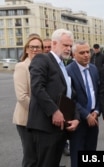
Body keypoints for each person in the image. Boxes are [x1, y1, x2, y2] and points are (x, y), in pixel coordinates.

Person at [27, 28, 80, 167]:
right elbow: (37, 87)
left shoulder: (63, 65)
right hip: (45, 126)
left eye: (70, 45)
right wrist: (54, 111)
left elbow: (70, 95)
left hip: (60, 127)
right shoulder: (42, 59)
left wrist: (76, 117)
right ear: (54, 43)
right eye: (65, 45)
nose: (69, 49)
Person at [66, 40, 100, 167]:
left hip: (94, 118)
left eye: (88, 51)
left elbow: (98, 93)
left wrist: (96, 111)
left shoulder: (94, 69)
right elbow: (70, 98)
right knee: (77, 154)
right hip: (78, 119)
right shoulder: (68, 71)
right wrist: (86, 115)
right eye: (82, 52)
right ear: (74, 55)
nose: (86, 55)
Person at [13, 36, 44, 167]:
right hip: (26, 119)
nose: (35, 50)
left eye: (38, 47)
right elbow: (22, 96)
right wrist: (44, 111)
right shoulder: (22, 67)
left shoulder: (43, 66)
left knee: (40, 156)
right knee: (31, 158)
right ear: (26, 49)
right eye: (32, 47)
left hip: (40, 120)